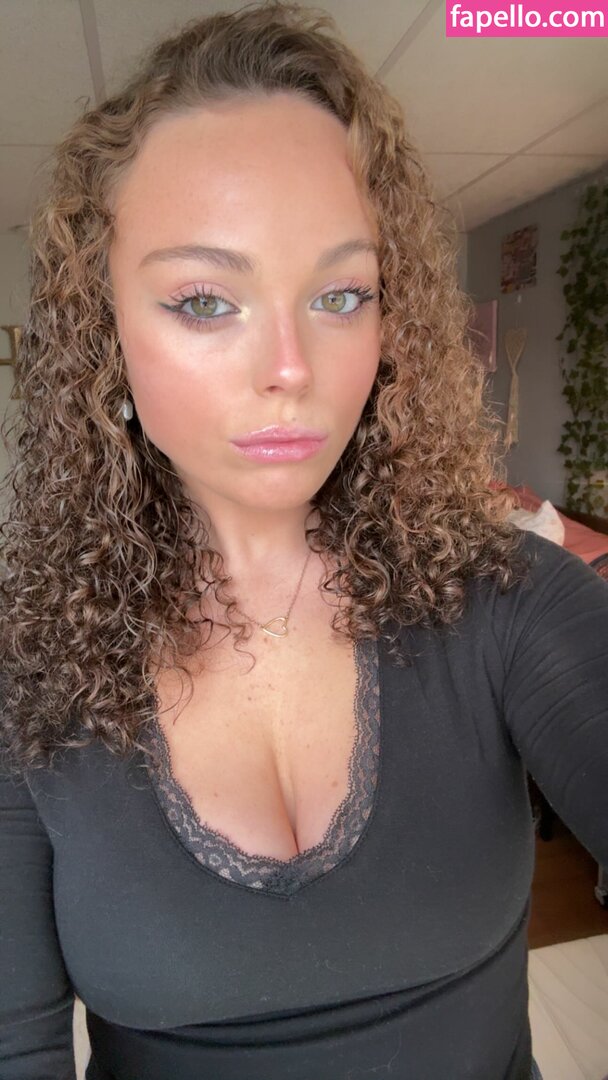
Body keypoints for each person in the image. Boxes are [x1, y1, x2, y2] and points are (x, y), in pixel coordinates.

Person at [0, 3, 606, 1078]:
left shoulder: (510, 600)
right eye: (204, 300)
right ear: (104, 331)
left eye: (339, 294)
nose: (290, 366)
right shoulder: (25, 669)